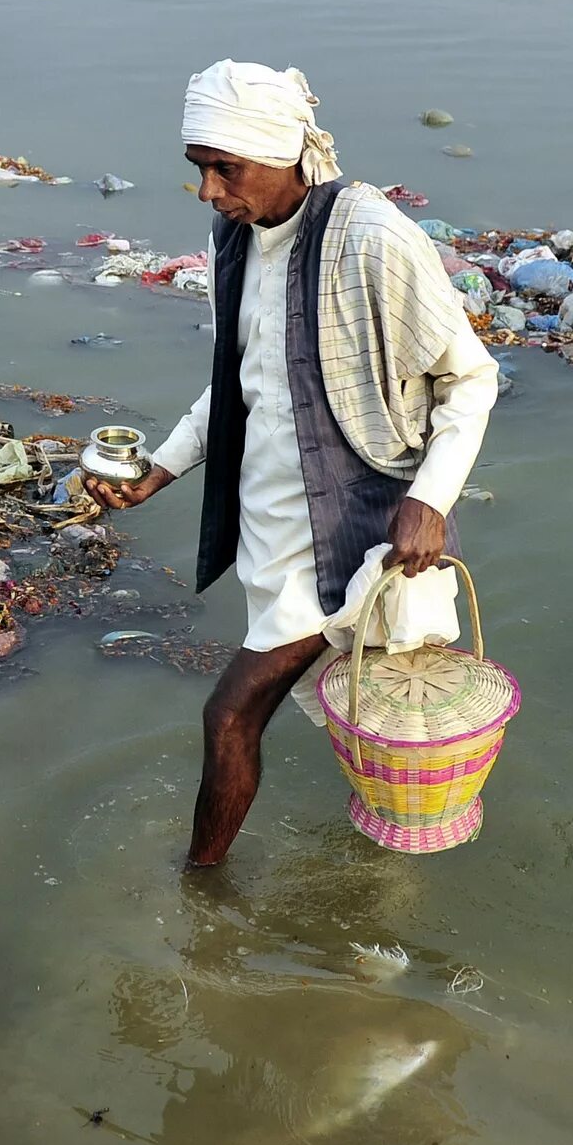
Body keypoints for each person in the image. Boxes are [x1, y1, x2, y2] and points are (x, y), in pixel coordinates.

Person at [85, 62, 499, 865]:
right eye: (198, 169)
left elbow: (471, 378)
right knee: (360, 717)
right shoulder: (237, 240)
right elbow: (243, 387)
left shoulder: (372, 239)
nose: (208, 191)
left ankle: (202, 897)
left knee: (231, 714)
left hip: (352, 528)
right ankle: (382, 879)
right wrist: (160, 471)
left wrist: (433, 499)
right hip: (273, 526)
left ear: (283, 154)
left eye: (224, 169)